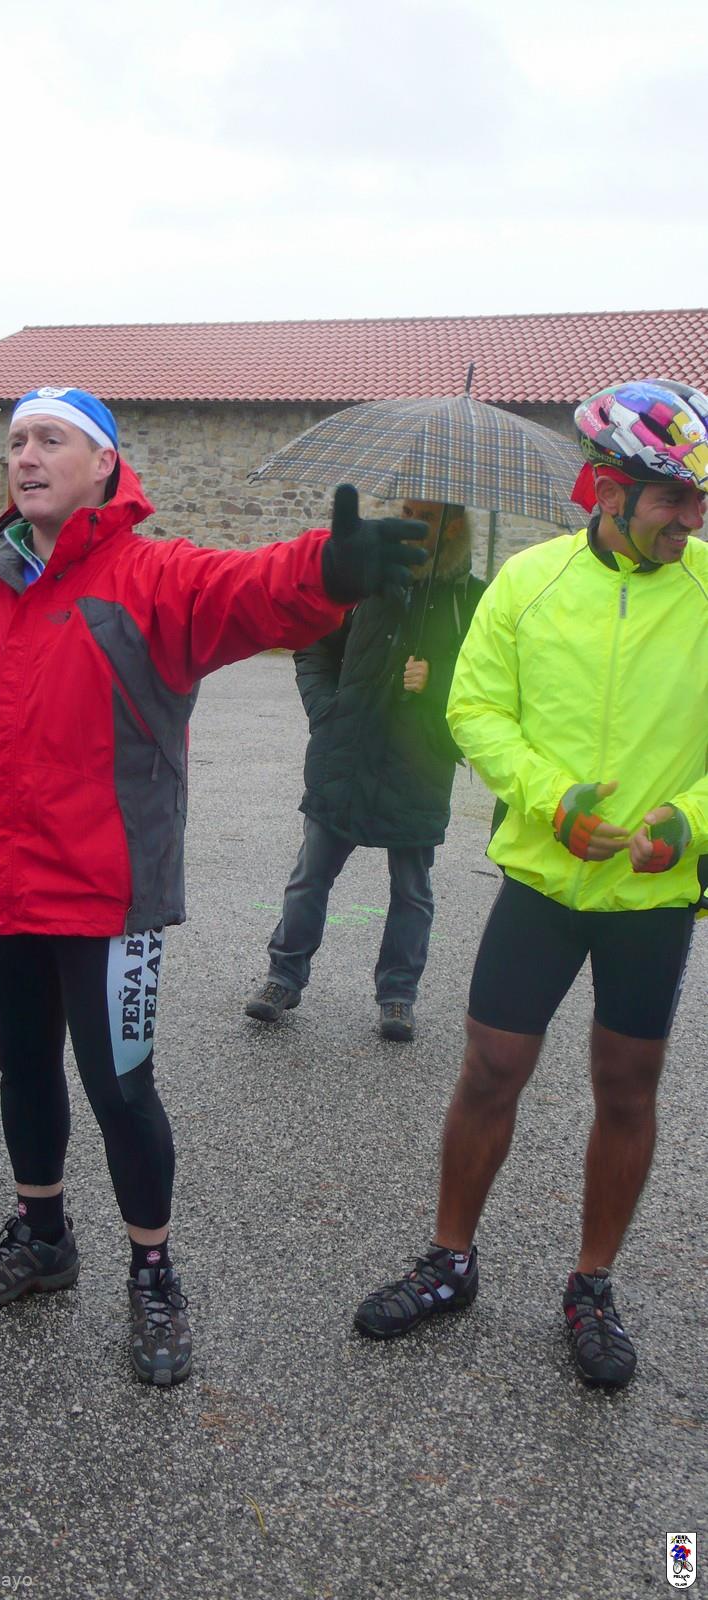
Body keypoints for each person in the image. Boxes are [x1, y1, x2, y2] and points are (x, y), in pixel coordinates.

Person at [0, 387, 419, 1386]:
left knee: (121, 1089)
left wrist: (328, 569)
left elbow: (247, 588)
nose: (26, 456)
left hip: (108, 899)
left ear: (105, 466)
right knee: (22, 1066)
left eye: (51, 440)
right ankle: (42, 1234)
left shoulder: (149, 576)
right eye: (16, 441)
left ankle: (153, 1270)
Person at [353, 379, 708, 1389]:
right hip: (546, 882)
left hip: (654, 896)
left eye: (699, 500)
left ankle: (592, 1284)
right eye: (674, 498)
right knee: (490, 1068)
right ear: (609, 491)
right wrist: (553, 802)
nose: (692, 518)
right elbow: (475, 709)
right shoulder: (528, 580)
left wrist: (689, 822)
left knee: (627, 1088)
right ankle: (449, 1259)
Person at [245, 502, 485, 1041]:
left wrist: (439, 681)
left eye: (427, 517)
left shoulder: (471, 600)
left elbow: (493, 680)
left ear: (453, 527)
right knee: (311, 875)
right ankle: (283, 977)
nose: (413, 524)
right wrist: (326, 711)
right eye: (408, 512)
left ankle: (397, 995)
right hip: (347, 751)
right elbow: (313, 645)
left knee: (412, 889)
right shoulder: (366, 581)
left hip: (418, 762)